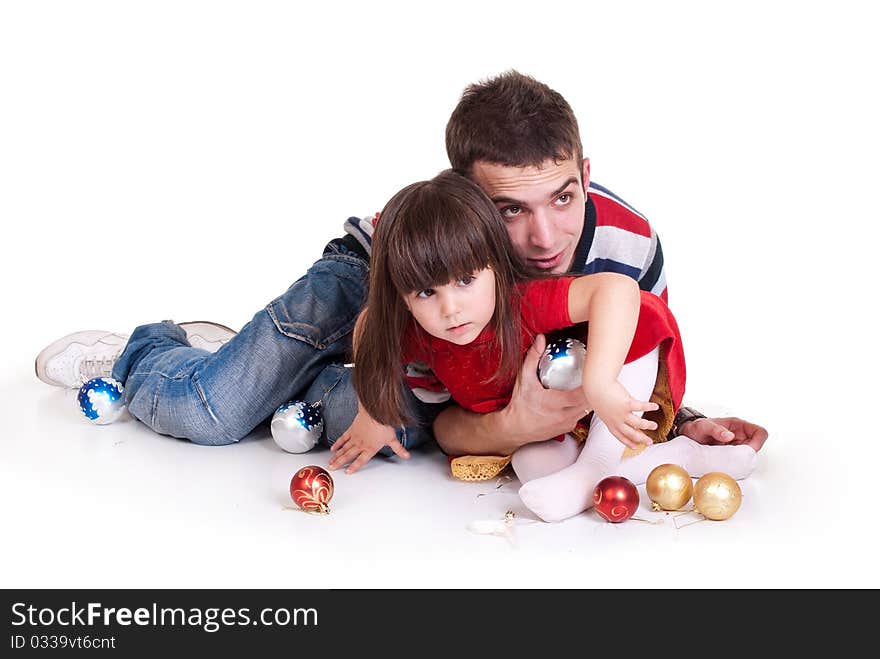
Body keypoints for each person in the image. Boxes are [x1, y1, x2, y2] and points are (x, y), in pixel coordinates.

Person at [34, 70, 766, 469]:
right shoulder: (444, 274)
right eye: (510, 210)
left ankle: (275, 368)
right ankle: (148, 352)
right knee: (217, 410)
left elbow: (634, 355)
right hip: (379, 286)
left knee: (386, 436)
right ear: (468, 202)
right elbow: (392, 341)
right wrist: (387, 378)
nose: (545, 237)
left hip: (449, 351)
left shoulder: (630, 249)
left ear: (585, 172)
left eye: (564, 196)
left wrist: (680, 422)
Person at [336, 169, 755, 522]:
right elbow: (369, 328)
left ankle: (596, 464)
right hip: (542, 426)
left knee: (641, 312)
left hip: (599, 400)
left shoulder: (521, 303)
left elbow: (617, 289)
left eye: (466, 281)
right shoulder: (416, 327)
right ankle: (683, 459)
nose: (451, 309)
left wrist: (601, 382)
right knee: (532, 468)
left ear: (495, 267)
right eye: (426, 293)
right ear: (403, 297)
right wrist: (373, 413)